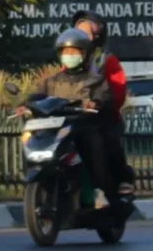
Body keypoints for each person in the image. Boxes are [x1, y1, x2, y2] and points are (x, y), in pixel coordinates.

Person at [22, 28, 117, 209]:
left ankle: (98, 191)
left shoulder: (95, 80)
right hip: (57, 129)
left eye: (74, 52)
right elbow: (36, 97)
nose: (69, 55)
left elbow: (105, 97)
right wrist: (25, 104)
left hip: (83, 127)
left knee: (92, 142)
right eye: (66, 52)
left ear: (85, 54)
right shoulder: (51, 81)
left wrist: (95, 103)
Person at [72, 10, 133, 195]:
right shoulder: (70, 59)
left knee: (106, 142)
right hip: (75, 117)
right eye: (78, 31)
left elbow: (117, 92)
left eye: (86, 32)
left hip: (103, 117)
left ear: (97, 36)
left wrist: (99, 104)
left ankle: (120, 181)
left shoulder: (107, 60)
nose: (81, 36)